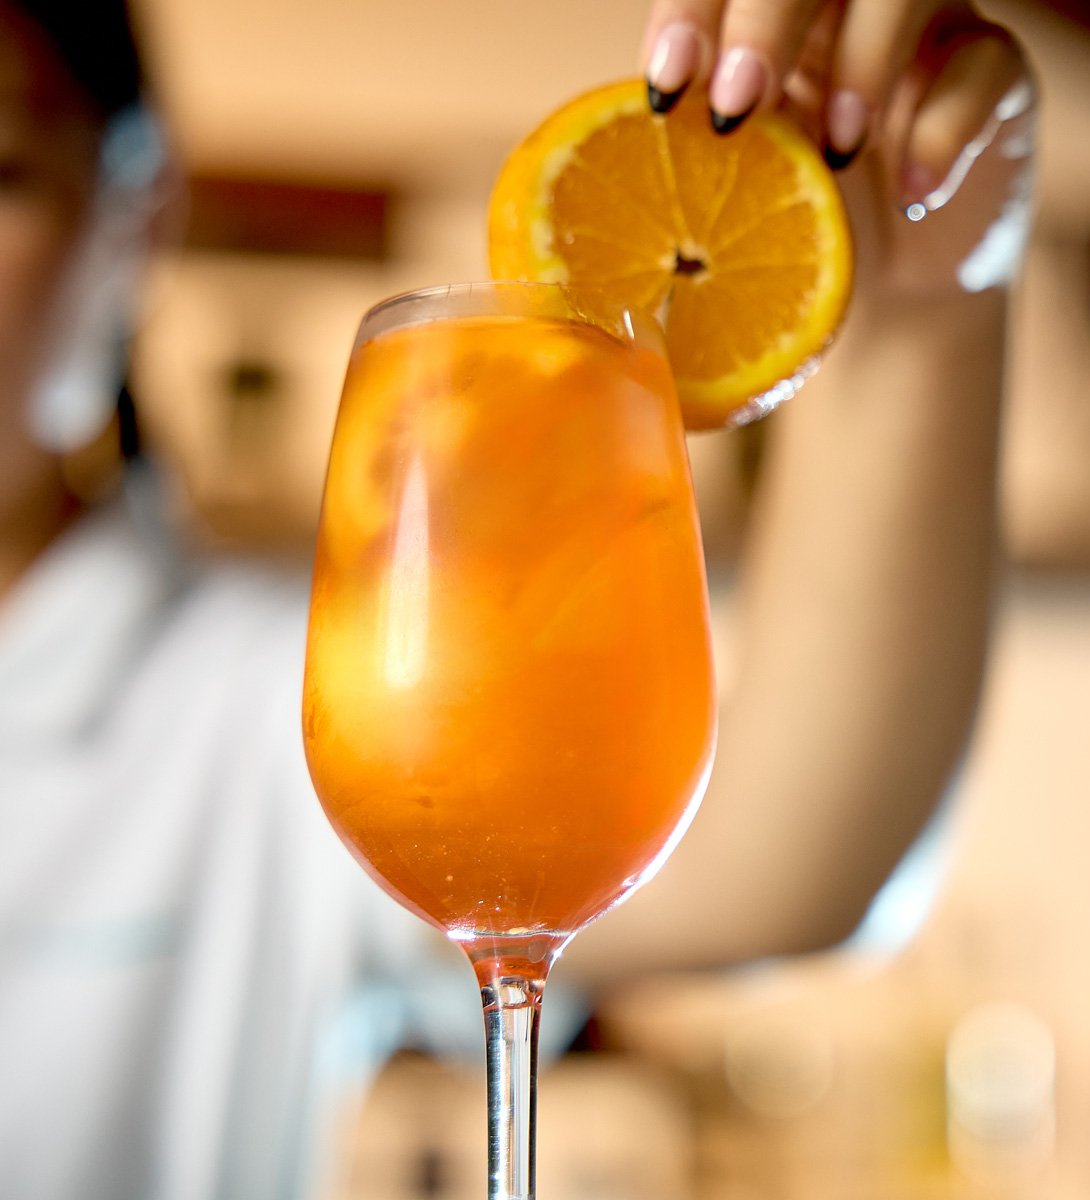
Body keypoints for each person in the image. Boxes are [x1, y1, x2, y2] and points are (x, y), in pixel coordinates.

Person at [0, 0, 1032, 1195]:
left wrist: (923, 292)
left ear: (134, 218)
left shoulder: (266, 704)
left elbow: (785, 858)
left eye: (2, 169)